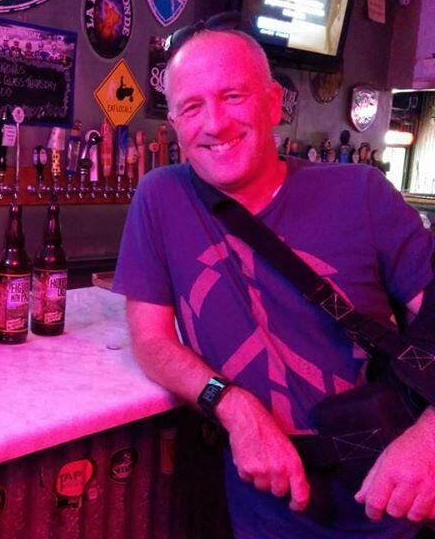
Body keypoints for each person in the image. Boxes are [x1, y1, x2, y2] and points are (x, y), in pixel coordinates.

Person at [112, 28, 435, 537]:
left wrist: (430, 441)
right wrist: (233, 406)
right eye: (192, 107)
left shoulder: (360, 191)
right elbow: (151, 340)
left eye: (233, 96)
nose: (215, 123)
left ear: (272, 102)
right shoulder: (160, 197)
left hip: (392, 494)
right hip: (264, 504)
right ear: (174, 123)